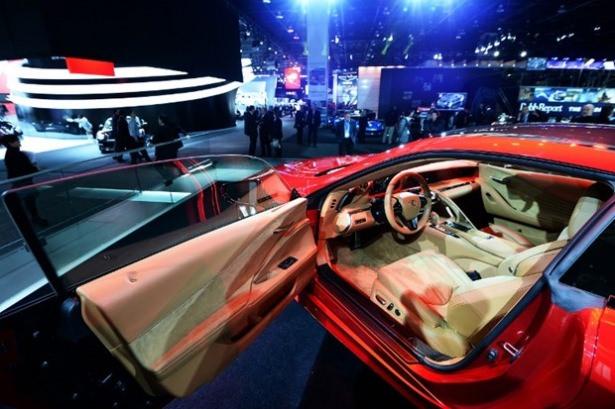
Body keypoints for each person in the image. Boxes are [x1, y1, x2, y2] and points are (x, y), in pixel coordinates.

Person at [2, 133, 48, 226]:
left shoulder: (12, 153)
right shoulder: (16, 155)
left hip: (20, 180)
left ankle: (32, 218)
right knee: (28, 199)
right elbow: (24, 169)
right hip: (22, 180)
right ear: (11, 143)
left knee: (27, 199)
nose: (19, 142)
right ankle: (32, 219)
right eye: (17, 140)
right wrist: (35, 167)